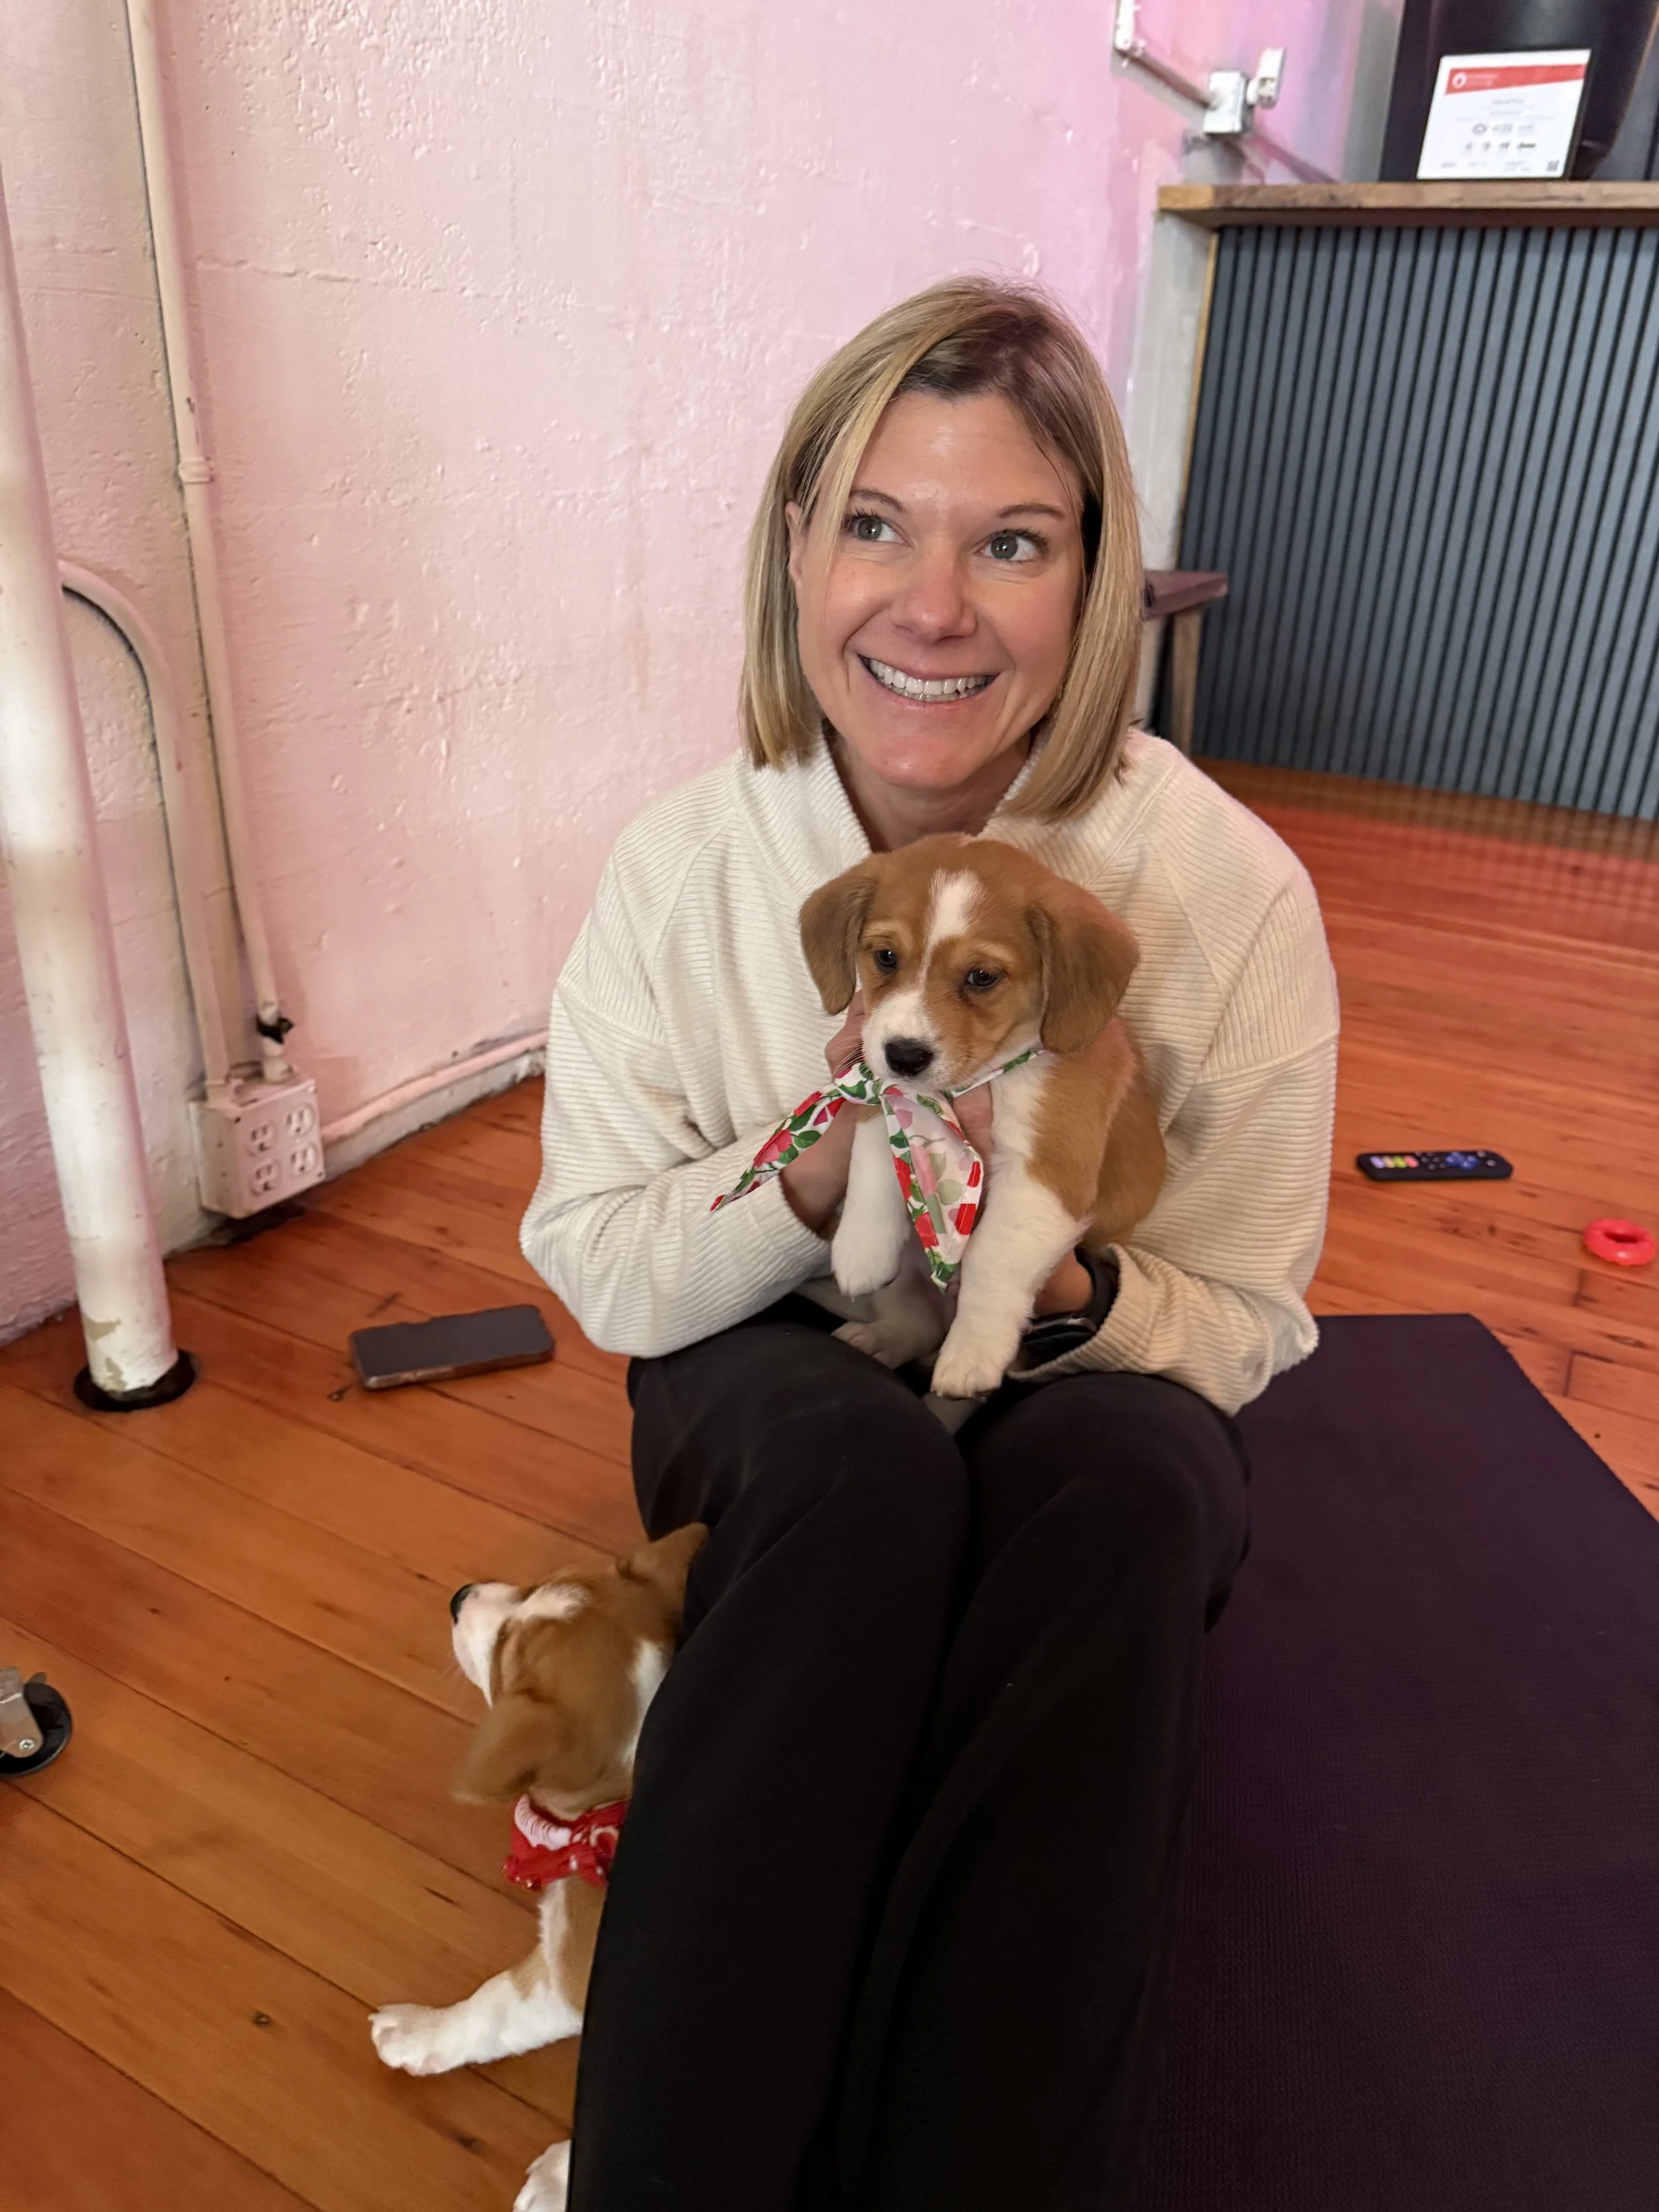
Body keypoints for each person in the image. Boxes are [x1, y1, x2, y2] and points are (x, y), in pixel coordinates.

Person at [521, 277, 1338, 2212]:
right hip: (783, 1357)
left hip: (1070, 1344)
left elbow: (1251, 1318)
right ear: (792, 551)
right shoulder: (685, 868)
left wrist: (1052, 1286)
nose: (932, 602)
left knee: (1126, 1503)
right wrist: (816, 1176)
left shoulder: (1221, 890)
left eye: (1013, 541)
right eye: (874, 521)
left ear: (1095, 583)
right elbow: (605, 1257)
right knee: (859, 1477)